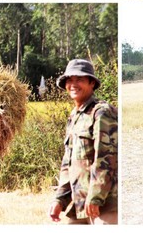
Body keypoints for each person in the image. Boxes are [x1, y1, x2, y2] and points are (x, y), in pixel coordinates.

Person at [48, 59, 118, 225]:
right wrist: (60, 200)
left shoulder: (101, 112)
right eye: (70, 80)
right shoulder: (74, 116)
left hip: (104, 204)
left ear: (91, 83)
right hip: (80, 203)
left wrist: (96, 196)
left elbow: (107, 158)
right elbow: (68, 164)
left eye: (79, 79)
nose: (73, 84)